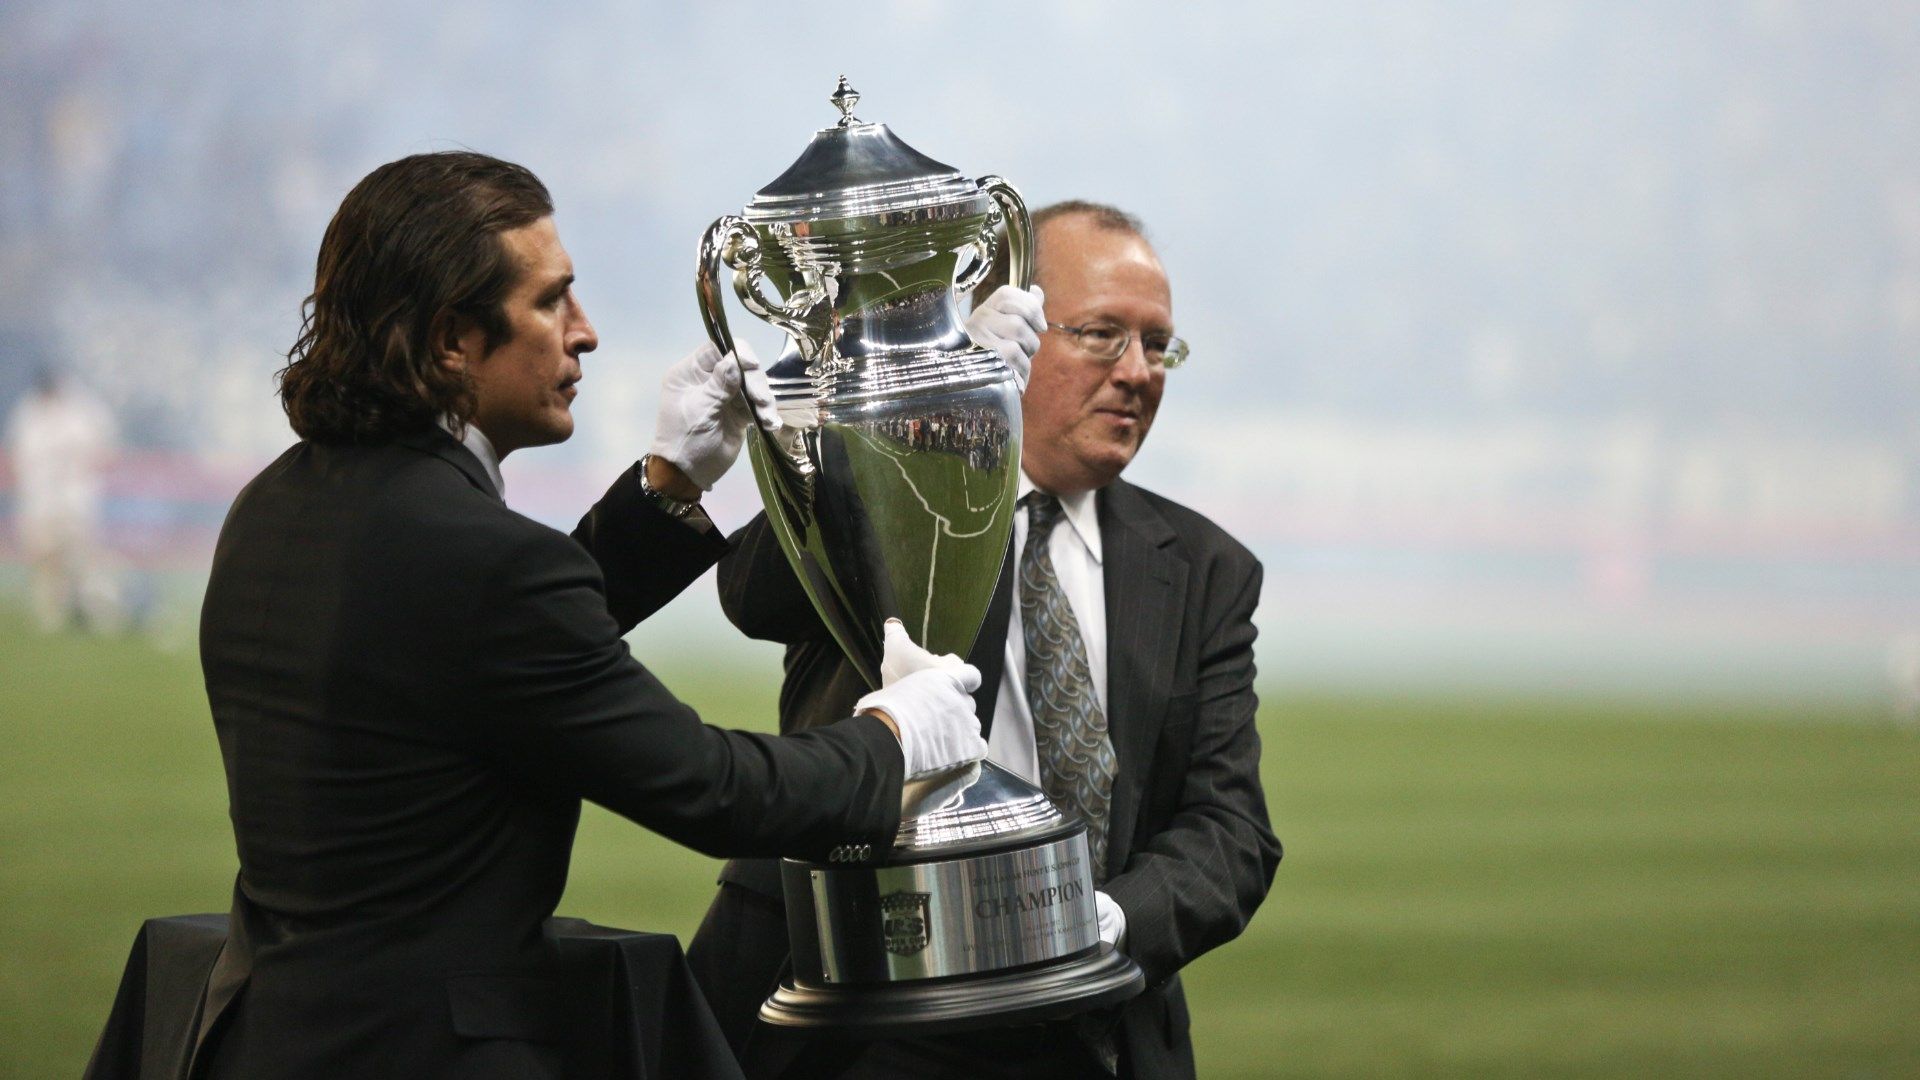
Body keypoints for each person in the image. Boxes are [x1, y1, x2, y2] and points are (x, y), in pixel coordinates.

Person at [189, 151, 1009, 1079]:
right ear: (453, 339)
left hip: (267, 1036)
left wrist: (668, 484)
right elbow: (714, 788)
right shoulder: (481, 560)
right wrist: (896, 739)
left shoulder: (275, 504)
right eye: (550, 301)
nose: (585, 333)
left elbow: (482, 656)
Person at [687, 201, 1281, 1079]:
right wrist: (923, 408)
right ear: (1019, 321)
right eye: (1102, 335)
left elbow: (1232, 830)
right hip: (865, 1002)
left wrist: (1101, 922)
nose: (1139, 372)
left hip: (1090, 1024)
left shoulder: (1203, 569)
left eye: (1158, 345)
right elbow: (753, 593)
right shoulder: (895, 485)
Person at [5, 368, 122, 633]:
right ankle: (52, 617)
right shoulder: (29, 412)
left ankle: (99, 613)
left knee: (84, 562)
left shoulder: (81, 410)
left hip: (76, 502)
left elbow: (103, 449)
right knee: (45, 561)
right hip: (40, 502)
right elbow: (20, 458)